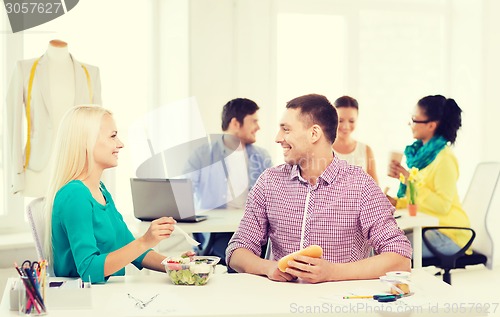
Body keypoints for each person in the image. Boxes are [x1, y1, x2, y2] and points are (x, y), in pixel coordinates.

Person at [226, 94, 411, 283]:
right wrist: (269, 267)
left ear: (314, 134)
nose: (278, 138)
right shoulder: (269, 182)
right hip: (280, 303)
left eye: (286, 130)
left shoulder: (361, 185)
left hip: (341, 305)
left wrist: (333, 273)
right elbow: (237, 251)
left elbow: (400, 258)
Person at [43, 105, 175, 283]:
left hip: (106, 295)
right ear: (86, 142)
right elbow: (89, 270)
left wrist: (178, 265)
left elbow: (131, 248)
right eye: (113, 136)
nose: (120, 144)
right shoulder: (75, 195)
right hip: (86, 302)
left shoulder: (100, 190)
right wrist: (145, 240)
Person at [5, 40, 102, 197]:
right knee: (39, 217)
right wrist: (16, 173)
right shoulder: (25, 69)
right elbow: (13, 124)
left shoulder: (90, 73)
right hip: (38, 168)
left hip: (77, 167)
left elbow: (98, 128)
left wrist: (96, 175)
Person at [183, 98, 272, 266]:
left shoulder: (262, 156)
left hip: (254, 232)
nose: (258, 127)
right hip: (217, 233)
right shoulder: (202, 154)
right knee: (237, 258)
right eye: (253, 121)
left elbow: (273, 197)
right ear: (235, 123)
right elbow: (183, 194)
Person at [387, 95, 470, 258]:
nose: (409, 123)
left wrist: (409, 180)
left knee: (390, 249)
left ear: (431, 125)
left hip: (449, 234)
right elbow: (418, 200)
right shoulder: (421, 158)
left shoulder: (444, 158)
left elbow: (441, 205)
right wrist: (396, 202)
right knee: (381, 243)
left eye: (414, 119)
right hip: (429, 229)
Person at [332, 96, 378, 183]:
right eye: (340, 120)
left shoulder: (366, 150)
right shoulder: (323, 149)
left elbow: (375, 189)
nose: (346, 126)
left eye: (351, 121)